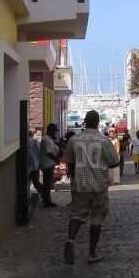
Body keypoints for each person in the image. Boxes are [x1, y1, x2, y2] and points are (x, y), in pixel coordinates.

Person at [61, 110, 120, 265]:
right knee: (97, 218)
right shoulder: (104, 140)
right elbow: (114, 162)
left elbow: (69, 162)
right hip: (99, 185)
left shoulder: (74, 140)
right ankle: (92, 253)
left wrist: (74, 178)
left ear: (85, 122)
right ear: (98, 123)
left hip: (80, 184)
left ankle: (71, 240)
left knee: (76, 215)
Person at [39, 123, 60, 208]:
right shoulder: (46, 139)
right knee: (47, 184)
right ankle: (47, 201)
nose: (55, 133)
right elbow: (49, 153)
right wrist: (56, 160)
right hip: (47, 164)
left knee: (47, 183)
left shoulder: (49, 139)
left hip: (49, 164)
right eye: (54, 131)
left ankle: (46, 200)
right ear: (50, 130)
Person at [27, 128, 44, 202]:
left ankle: (44, 194)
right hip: (35, 165)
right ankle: (44, 194)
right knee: (36, 182)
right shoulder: (35, 142)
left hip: (29, 166)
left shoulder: (26, 142)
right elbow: (40, 152)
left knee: (30, 182)